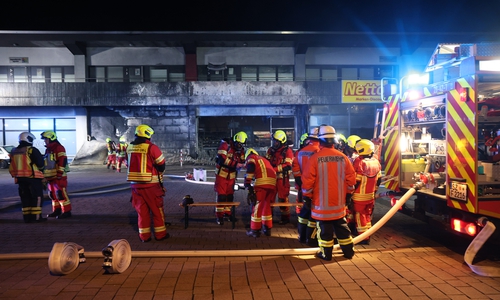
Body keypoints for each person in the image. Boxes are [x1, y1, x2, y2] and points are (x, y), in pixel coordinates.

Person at [301, 125, 356, 261]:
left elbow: (308, 181)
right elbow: (351, 180)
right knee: (342, 227)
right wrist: (348, 195)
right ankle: (349, 252)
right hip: (338, 204)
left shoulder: (315, 158)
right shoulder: (343, 157)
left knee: (324, 230)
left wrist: (306, 197)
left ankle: (326, 253)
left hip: (321, 205)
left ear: (320, 141)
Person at [126, 124, 168, 242]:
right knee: (157, 211)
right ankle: (160, 235)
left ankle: (144, 237)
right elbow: (161, 164)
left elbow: (127, 163)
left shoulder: (129, 147)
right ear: (148, 135)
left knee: (142, 212)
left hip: (135, 186)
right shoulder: (151, 147)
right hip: (151, 186)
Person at [9, 132, 46, 223]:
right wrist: (42, 171)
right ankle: (36, 217)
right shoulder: (31, 150)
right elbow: (40, 164)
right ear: (28, 139)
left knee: (25, 197)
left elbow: (12, 165)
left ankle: (27, 218)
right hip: (33, 178)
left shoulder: (14, 151)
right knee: (36, 197)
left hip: (20, 179)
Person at [351, 139, 382, 245]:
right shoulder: (376, 161)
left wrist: (351, 192)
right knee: (367, 215)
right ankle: (368, 234)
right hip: (370, 195)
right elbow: (379, 179)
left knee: (359, 216)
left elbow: (356, 180)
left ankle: (363, 237)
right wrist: (375, 190)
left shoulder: (359, 162)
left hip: (359, 195)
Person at [292, 128, 320, 245]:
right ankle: (312, 238)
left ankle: (302, 235)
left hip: (303, 186)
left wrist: (300, 182)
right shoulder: (319, 152)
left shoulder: (300, 152)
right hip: (316, 187)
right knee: (315, 212)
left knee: (304, 211)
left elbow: (296, 168)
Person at [214, 131, 247, 225]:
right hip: (222, 175)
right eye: (239, 144)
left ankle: (227, 214)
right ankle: (219, 216)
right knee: (221, 196)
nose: (240, 146)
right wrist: (236, 164)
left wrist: (244, 164)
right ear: (235, 140)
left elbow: (242, 159)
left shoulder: (240, 150)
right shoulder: (225, 145)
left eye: (242, 145)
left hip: (232, 176)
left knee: (229, 196)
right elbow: (222, 158)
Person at [244, 148, 277, 237]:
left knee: (257, 206)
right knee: (266, 206)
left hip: (262, 183)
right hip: (272, 183)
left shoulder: (251, 157)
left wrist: (247, 183)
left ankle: (255, 230)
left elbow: (251, 167)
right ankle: (267, 229)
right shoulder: (263, 159)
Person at [41, 130, 72, 219]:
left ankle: (66, 211)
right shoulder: (48, 149)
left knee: (60, 194)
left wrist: (59, 173)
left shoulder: (59, 148)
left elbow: (62, 160)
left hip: (59, 176)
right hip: (51, 176)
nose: (45, 141)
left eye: (46, 139)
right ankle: (56, 210)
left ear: (51, 138)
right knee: (52, 195)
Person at [266, 130, 294, 225]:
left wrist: (274, 169)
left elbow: (288, 165)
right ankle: (268, 217)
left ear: (282, 141)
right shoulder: (270, 150)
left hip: (282, 180)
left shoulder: (287, 151)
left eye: (276, 141)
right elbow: (266, 161)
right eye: (274, 141)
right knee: (269, 198)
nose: (275, 143)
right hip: (271, 179)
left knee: (283, 199)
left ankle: (285, 218)